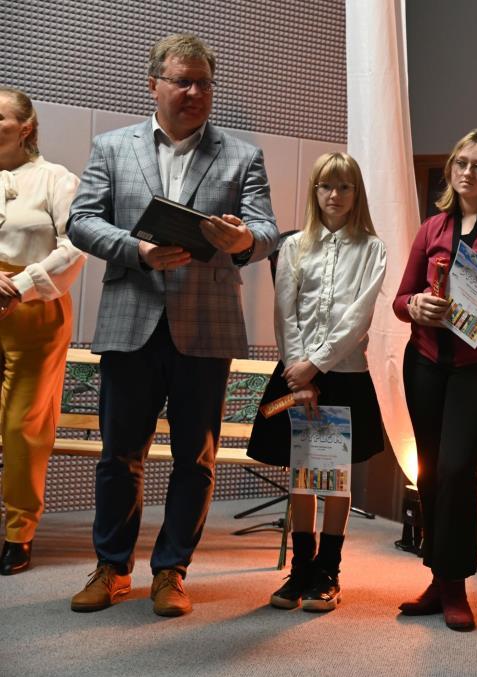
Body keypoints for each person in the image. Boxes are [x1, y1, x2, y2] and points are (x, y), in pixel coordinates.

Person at [67, 34, 278, 617]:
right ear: (153, 84)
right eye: (182, 81)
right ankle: (112, 568)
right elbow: (81, 221)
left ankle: (171, 571)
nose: (194, 92)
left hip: (206, 327)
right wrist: (136, 249)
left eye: (204, 83)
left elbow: (265, 232)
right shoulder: (112, 146)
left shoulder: (242, 155)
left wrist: (242, 241)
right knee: (119, 455)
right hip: (131, 317)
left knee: (196, 458)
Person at [393, 129, 477, 631]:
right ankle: (438, 578)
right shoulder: (432, 227)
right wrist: (417, 306)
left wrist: (469, 311)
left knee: (457, 471)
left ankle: (455, 585)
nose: (467, 172)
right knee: (430, 472)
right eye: (461, 162)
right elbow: (401, 299)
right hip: (425, 362)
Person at [246, 152, 386, 613]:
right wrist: (298, 371)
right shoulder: (293, 246)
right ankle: (301, 569)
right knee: (302, 475)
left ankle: (329, 571)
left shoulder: (373, 249)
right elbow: (284, 314)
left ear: (356, 193)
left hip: (345, 376)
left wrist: (317, 365)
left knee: (336, 477)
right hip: (295, 376)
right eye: (326, 186)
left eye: (344, 187)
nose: (334, 195)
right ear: (314, 192)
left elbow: (357, 319)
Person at [0, 87, 86, 575]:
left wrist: (20, 284)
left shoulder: (57, 178)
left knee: (22, 426)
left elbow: (76, 245)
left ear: (26, 127)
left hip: (34, 307)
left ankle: (19, 531)